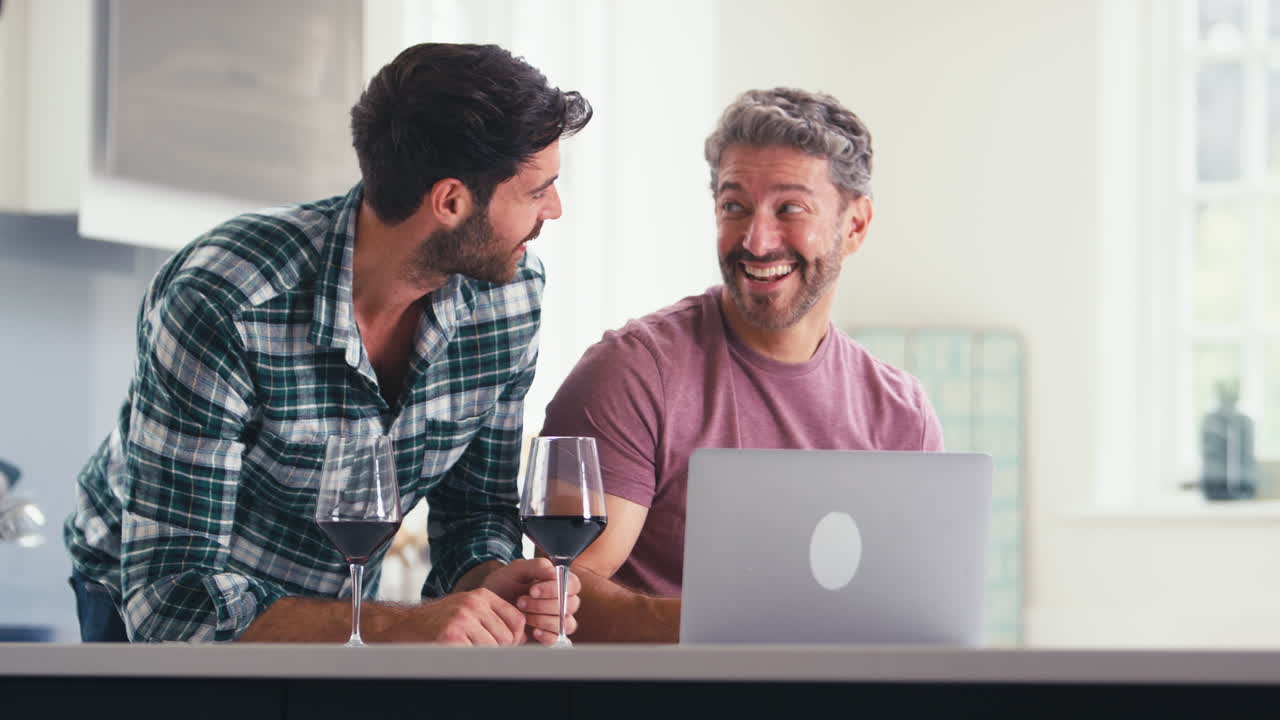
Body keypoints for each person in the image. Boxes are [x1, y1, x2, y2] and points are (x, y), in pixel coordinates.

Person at [63, 43, 593, 645]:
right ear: (450, 202)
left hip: (339, 607)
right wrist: (405, 627)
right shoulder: (227, 300)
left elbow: (474, 511)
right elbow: (172, 600)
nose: (555, 208)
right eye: (536, 191)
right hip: (145, 599)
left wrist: (490, 581)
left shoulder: (509, 297)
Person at [539, 87, 943, 642]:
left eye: (790, 208)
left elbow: (915, 617)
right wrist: (744, 633)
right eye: (735, 206)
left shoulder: (904, 414)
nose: (756, 239)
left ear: (855, 226)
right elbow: (561, 594)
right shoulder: (630, 374)